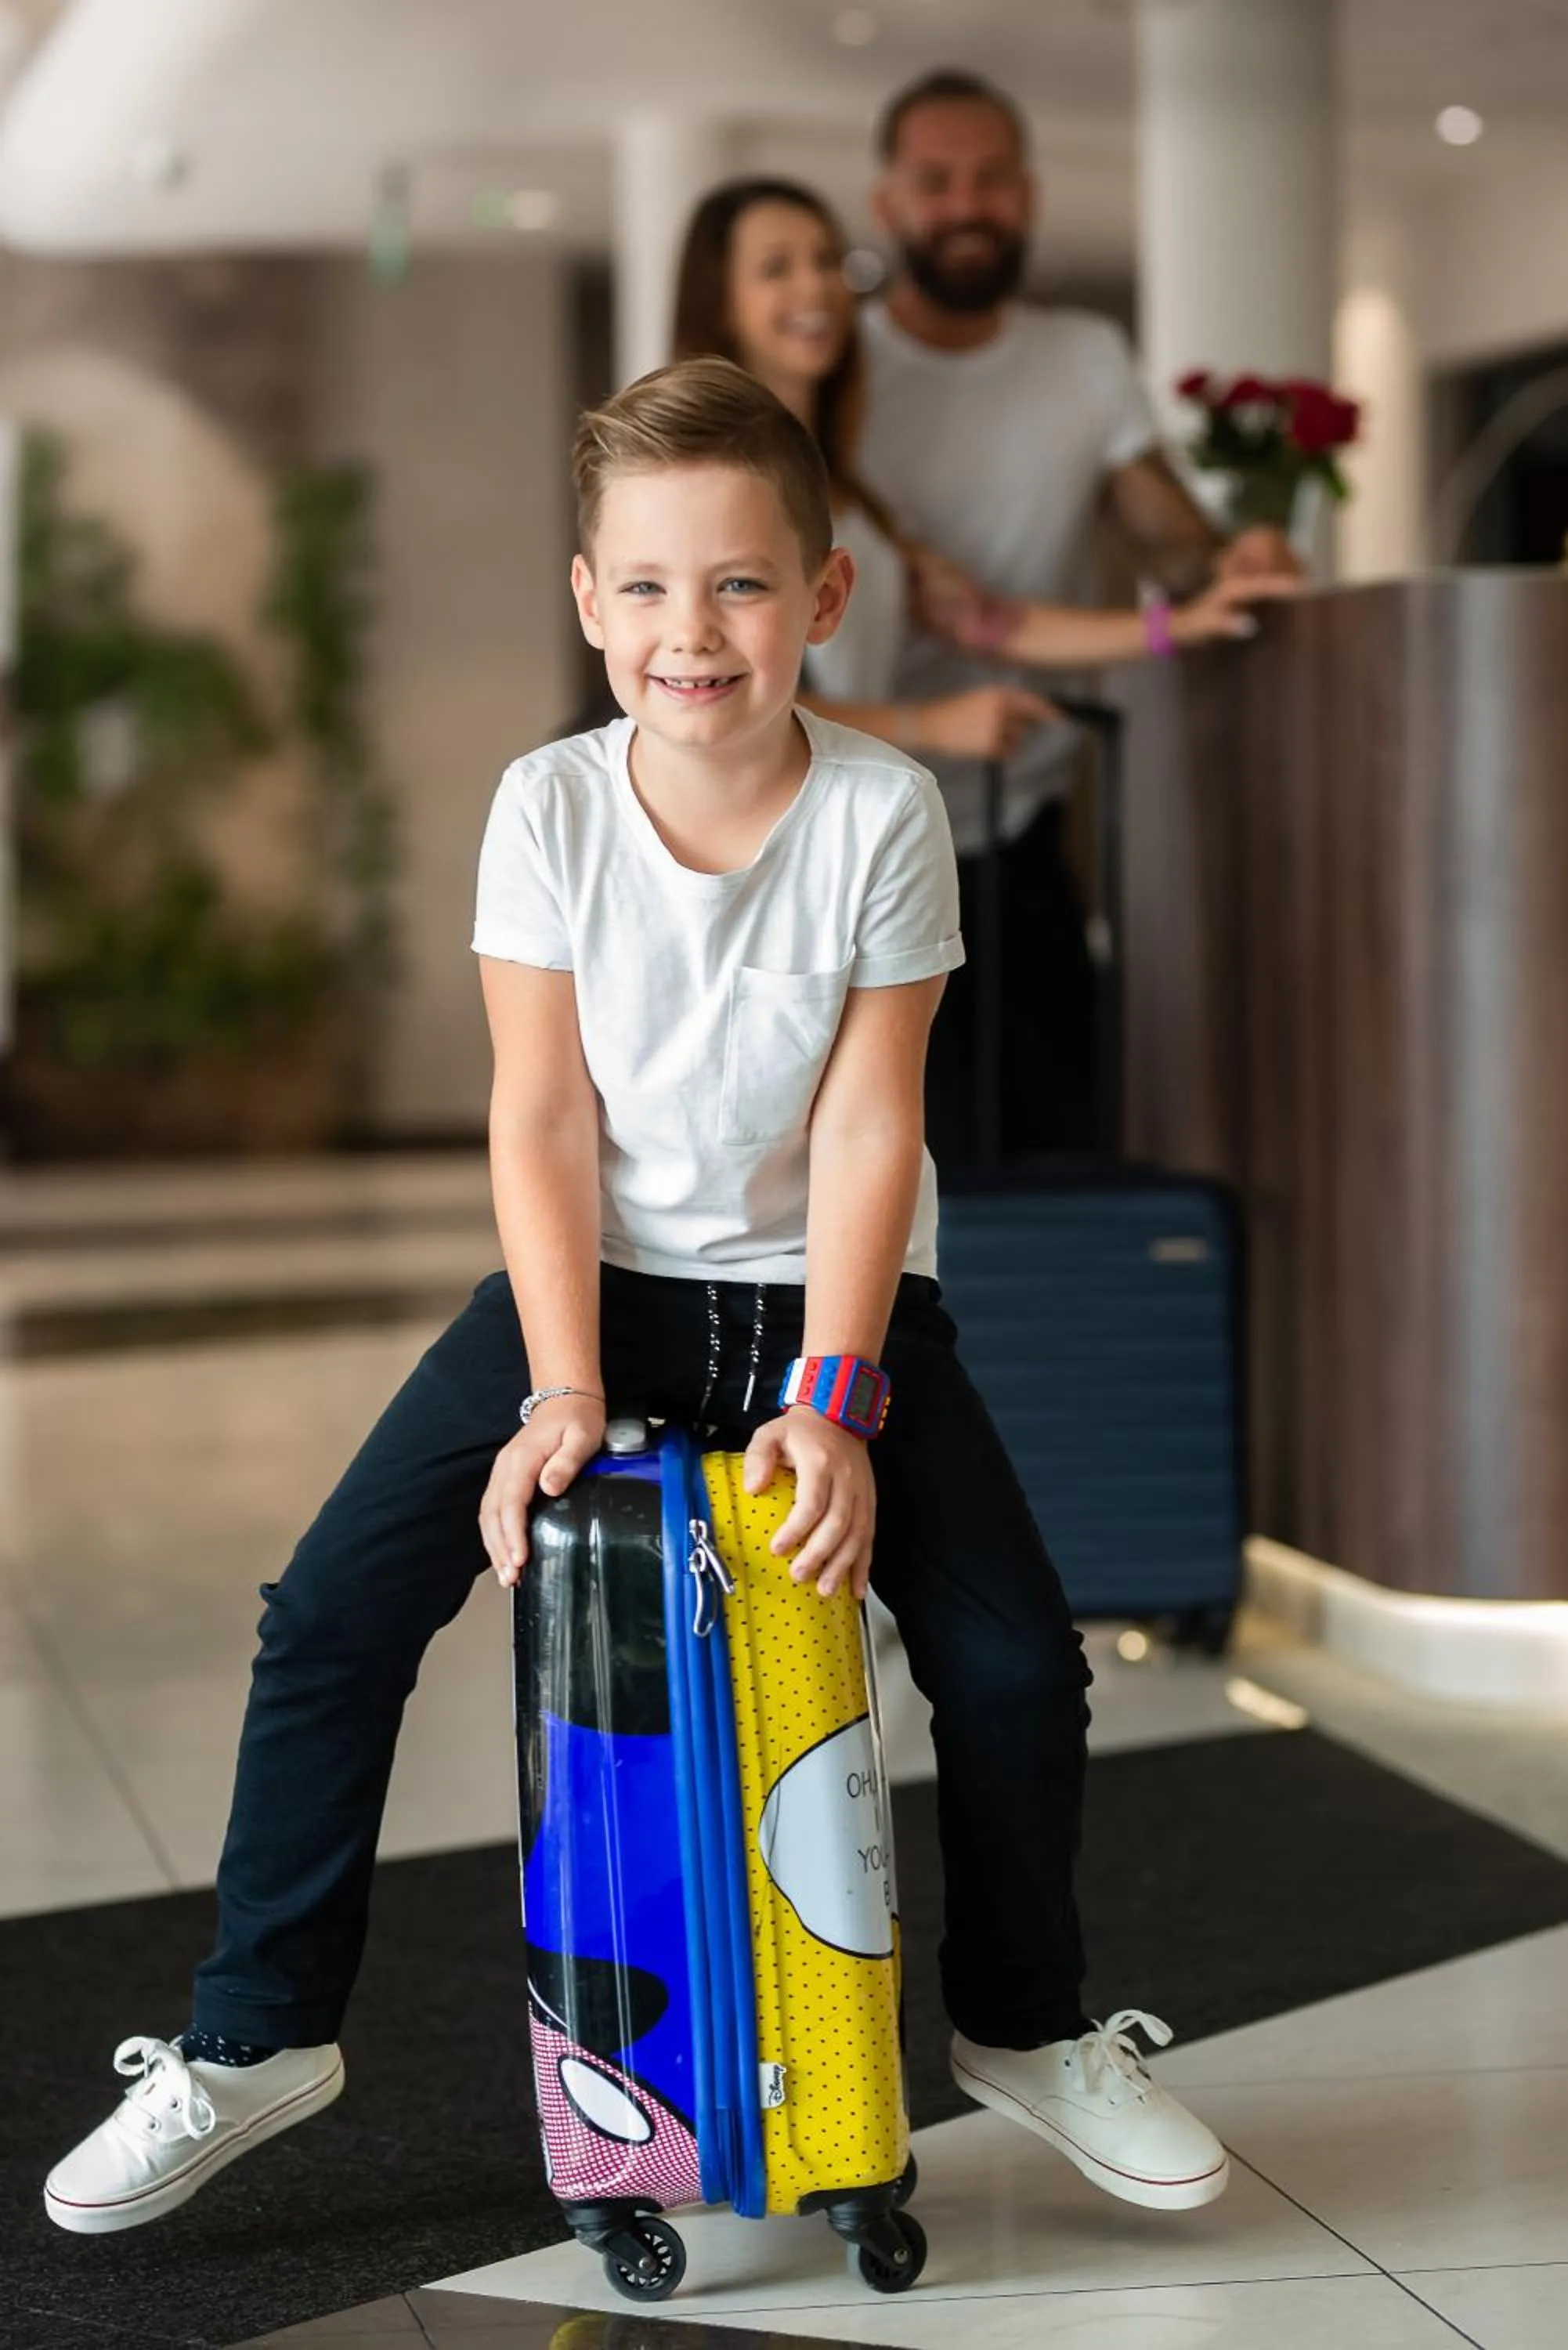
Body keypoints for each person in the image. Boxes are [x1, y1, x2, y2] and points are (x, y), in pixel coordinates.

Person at [45, 360, 1229, 2237]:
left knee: (1015, 1664)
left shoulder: (882, 812)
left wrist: (835, 1397)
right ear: (590, 601)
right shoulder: (549, 808)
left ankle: (1026, 2023)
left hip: (833, 1303)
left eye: (745, 584)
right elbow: (539, 1114)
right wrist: (562, 1386)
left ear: (824, 600)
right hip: (590, 1287)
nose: (697, 631)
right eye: (653, 588)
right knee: (327, 1617)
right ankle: (255, 2032)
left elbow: (867, 1124)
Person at [857, 67, 1302, 1161]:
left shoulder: (1082, 358)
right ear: (887, 205)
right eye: (937, 181)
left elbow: (1160, 531)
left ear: (1030, 194)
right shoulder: (839, 369)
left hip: (1019, 827)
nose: (968, 205)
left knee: (1060, 1161)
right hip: (853, 825)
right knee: (885, 1172)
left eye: (992, 179)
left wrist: (1223, 561)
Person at [670, 175, 1281, 778]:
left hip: (839, 810)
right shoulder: (704, 477)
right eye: (776, 268)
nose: (817, 286)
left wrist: (1177, 626)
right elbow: (709, 698)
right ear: (719, 301)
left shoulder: (839, 483)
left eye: (828, 260)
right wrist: (930, 726)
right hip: (758, 835)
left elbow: (984, 620)